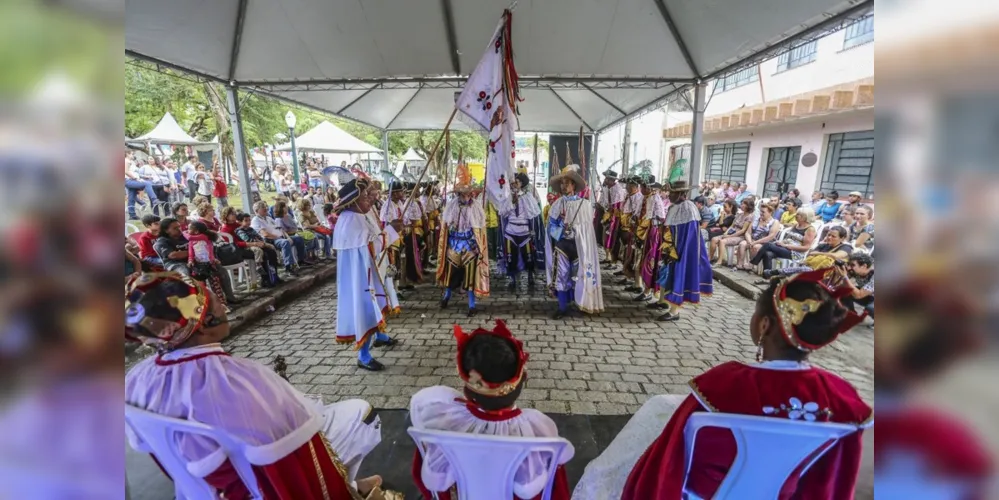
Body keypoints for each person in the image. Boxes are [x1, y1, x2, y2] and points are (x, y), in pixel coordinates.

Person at [574, 267, 870, 500]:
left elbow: (665, 466)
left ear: (764, 325)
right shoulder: (843, 400)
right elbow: (834, 481)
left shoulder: (720, 386)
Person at [124, 273, 392, 500]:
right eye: (216, 304)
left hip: (202, 488)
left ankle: (351, 485)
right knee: (358, 412)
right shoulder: (237, 378)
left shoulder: (136, 378)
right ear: (201, 323)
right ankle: (345, 492)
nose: (225, 309)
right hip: (258, 487)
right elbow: (299, 451)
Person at [410, 320, 574, 500]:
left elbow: (426, 480)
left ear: (467, 387)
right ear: (521, 381)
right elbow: (556, 491)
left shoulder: (439, 417)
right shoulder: (538, 430)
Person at [331, 178, 399, 372]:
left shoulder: (363, 213)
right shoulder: (350, 222)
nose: (371, 198)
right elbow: (370, 248)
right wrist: (392, 231)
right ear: (352, 201)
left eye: (370, 193)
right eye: (366, 196)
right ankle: (364, 356)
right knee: (366, 308)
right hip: (362, 277)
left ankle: (380, 336)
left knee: (377, 303)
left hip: (374, 269)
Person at [544, 165, 604, 319]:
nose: (564, 186)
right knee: (562, 276)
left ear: (574, 185)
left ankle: (580, 302)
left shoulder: (584, 205)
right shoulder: (557, 204)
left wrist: (577, 231)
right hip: (563, 246)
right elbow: (550, 227)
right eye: (562, 183)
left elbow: (588, 231)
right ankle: (562, 307)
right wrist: (560, 231)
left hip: (580, 247)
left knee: (580, 276)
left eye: (568, 183)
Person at [649, 181, 713, 321]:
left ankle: (674, 311)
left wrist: (676, 251)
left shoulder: (688, 208)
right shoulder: (675, 206)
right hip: (670, 247)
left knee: (677, 276)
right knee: (666, 274)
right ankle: (663, 302)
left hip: (680, 250)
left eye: (672, 193)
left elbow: (686, 235)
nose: (669, 195)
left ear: (681, 194)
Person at [437, 168, 489, 317]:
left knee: (470, 275)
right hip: (454, 244)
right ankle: (446, 296)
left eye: (468, 194)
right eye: (463, 194)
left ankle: (472, 305)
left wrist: (477, 244)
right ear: (458, 194)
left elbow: (479, 227)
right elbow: (447, 224)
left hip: (470, 245)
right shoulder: (452, 205)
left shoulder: (476, 206)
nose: (466, 197)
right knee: (450, 273)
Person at [153, 218, 241, 305]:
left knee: (220, 269)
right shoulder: (162, 241)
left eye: (179, 227)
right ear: (166, 230)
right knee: (185, 273)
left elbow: (204, 245)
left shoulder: (185, 235)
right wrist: (196, 252)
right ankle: (195, 305)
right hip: (175, 264)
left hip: (195, 260)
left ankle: (230, 298)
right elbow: (173, 255)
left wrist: (209, 257)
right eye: (175, 228)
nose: (179, 229)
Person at [498, 172, 542, 292]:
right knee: (510, 256)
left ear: (522, 184)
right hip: (510, 231)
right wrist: (512, 203)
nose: (513, 184)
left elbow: (534, 213)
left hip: (524, 232)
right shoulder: (508, 198)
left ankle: (530, 275)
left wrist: (532, 229)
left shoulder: (528, 197)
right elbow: (502, 213)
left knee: (528, 256)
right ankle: (512, 278)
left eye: (516, 182)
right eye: (513, 182)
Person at [763, 226, 854, 278]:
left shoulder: (846, 247)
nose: (829, 237)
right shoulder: (823, 245)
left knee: (805, 270)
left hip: (829, 273)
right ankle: (775, 275)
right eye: (828, 235)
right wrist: (824, 254)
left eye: (833, 236)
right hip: (812, 267)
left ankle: (774, 272)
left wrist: (820, 254)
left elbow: (837, 256)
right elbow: (810, 254)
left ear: (842, 238)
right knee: (804, 270)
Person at [223, 208, 282, 288]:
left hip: (251, 244)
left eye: (234, 213)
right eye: (232, 214)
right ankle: (265, 279)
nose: (234, 215)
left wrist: (259, 242)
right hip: (240, 250)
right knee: (264, 254)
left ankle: (274, 276)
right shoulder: (225, 229)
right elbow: (235, 244)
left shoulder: (238, 225)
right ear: (226, 216)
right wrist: (253, 243)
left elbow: (252, 234)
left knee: (271, 251)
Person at [749, 206, 818, 274]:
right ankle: (767, 276)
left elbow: (806, 248)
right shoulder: (796, 225)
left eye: (798, 214)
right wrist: (781, 243)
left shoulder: (810, 229)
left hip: (795, 253)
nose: (796, 215)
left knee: (767, 245)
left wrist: (787, 245)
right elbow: (788, 238)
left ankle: (753, 263)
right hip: (785, 248)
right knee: (768, 254)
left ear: (805, 217)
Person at [251, 201, 308, 275]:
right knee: (285, 242)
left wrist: (287, 236)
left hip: (281, 237)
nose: (266, 209)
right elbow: (265, 234)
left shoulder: (268, 218)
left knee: (299, 238)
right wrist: (279, 237)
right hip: (271, 240)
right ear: (256, 211)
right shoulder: (256, 220)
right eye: (263, 208)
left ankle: (301, 260)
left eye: (265, 207)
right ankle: (288, 267)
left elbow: (280, 228)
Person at [636, 181, 667, 303]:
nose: (641, 189)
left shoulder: (655, 198)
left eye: (642, 187)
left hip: (652, 233)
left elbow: (660, 217)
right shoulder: (646, 198)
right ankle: (644, 288)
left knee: (650, 259)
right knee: (643, 258)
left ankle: (648, 290)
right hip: (646, 230)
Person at [186, 220, 227, 309]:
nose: (187, 230)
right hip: (199, 265)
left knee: (215, 284)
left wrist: (213, 259)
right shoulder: (191, 242)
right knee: (201, 285)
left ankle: (221, 303)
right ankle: (205, 305)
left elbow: (209, 251)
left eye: (188, 229)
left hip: (209, 264)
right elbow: (191, 253)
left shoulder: (203, 237)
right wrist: (190, 260)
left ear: (196, 231)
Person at [735, 204, 780, 271]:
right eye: (760, 211)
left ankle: (751, 265)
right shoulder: (756, 219)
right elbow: (748, 232)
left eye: (763, 212)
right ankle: (740, 264)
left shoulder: (774, 222)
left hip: (765, 243)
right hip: (753, 240)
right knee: (742, 244)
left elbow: (770, 237)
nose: (761, 213)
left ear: (770, 212)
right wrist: (750, 241)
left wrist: (755, 242)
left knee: (755, 247)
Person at [710, 199, 753, 266]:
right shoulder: (739, 214)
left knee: (722, 241)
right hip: (731, 232)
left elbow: (743, 230)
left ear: (748, 206)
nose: (741, 205)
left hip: (740, 236)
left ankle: (719, 261)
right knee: (714, 239)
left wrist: (730, 236)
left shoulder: (749, 217)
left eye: (743, 204)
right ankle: (710, 258)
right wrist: (726, 233)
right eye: (741, 204)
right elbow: (732, 225)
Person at [617, 176, 644, 284]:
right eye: (627, 185)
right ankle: (626, 273)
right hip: (625, 227)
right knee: (625, 252)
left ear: (635, 186)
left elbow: (636, 214)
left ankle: (633, 278)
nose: (627, 187)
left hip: (631, 229)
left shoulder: (638, 197)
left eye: (629, 185)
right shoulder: (629, 196)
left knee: (631, 254)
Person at [598, 170, 627, 266]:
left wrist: (610, 215)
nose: (605, 180)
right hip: (608, 215)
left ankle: (613, 260)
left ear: (611, 180)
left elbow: (617, 207)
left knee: (612, 237)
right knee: (605, 236)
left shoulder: (617, 189)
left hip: (615, 217)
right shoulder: (607, 188)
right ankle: (608, 257)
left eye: (607, 178)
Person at [843, 251, 874, 318]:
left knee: (871, 308)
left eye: (852, 265)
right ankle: (851, 315)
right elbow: (838, 285)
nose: (849, 267)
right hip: (870, 295)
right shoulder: (856, 271)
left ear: (864, 266)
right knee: (844, 291)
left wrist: (845, 276)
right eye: (848, 264)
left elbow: (859, 295)